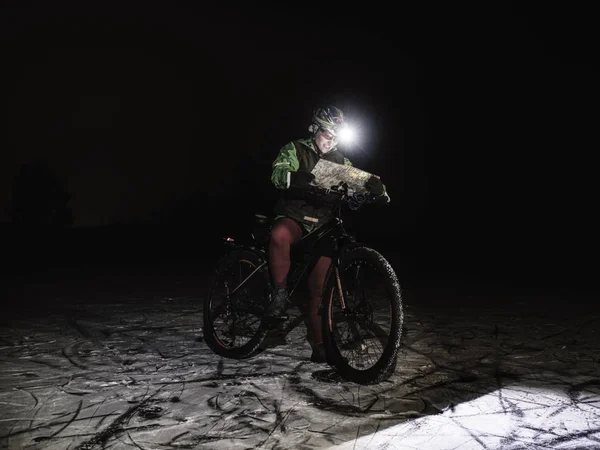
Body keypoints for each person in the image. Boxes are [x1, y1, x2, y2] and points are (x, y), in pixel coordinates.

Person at [265, 105, 389, 363]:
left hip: (322, 225)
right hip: (295, 217)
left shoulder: (341, 162)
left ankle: (320, 345)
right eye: (326, 134)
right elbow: (277, 172)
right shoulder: (295, 148)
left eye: (335, 137)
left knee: (319, 288)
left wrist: (378, 190)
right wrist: (293, 177)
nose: (330, 140)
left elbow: (360, 181)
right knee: (279, 233)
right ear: (314, 129)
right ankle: (278, 294)